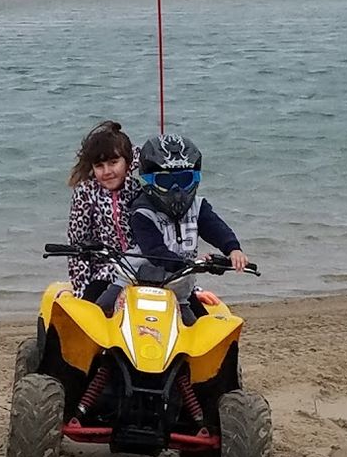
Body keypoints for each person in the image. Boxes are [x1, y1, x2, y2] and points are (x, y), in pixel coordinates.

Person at [97, 133, 247, 320]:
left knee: (197, 329)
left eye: (184, 180)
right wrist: (186, 264)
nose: (176, 188)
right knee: (101, 311)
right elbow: (154, 250)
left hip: (178, 290)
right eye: (166, 181)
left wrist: (233, 249)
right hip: (133, 283)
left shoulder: (198, 207)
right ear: (149, 180)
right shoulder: (142, 213)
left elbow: (216, 228)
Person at [66, 120, 140, 301]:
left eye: (114, 162)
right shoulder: (86, 193)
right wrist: (80, 291)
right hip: (106, 274)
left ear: (127, 162)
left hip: (144, 273)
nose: (107, 171)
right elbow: (77, 246)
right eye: (99, 166)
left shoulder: (139, 186)